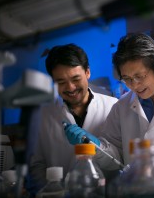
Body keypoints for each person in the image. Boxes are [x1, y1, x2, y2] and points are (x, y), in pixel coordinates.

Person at [64, 33, 154, 171]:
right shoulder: (121, 108)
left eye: (139, 76)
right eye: (127, 79)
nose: (134, 85)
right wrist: (94, 145)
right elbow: (114, 158)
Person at [27, 43, 118, 193]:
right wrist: (52, 193)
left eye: (76, 79)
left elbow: (119, 160)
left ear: (87, 72)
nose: (70, 87)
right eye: (61, 82)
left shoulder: (113, 106)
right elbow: (36, 165)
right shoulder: (42, 115)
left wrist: (97, 146)